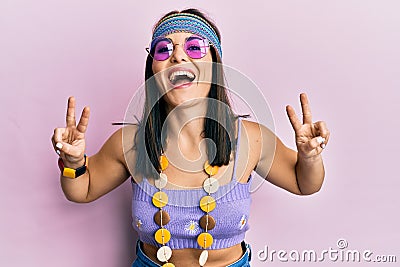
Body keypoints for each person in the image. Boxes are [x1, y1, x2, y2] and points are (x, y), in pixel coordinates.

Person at [51, 8, 330, 267]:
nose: (179, 56)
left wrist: (309, 157)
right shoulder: (129, 143)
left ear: (214, 66)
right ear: (152, 71)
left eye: (195, 47)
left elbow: (304, 183)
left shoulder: (252, 139)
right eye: (164, 50)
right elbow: (82, 190)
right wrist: (73, 162)